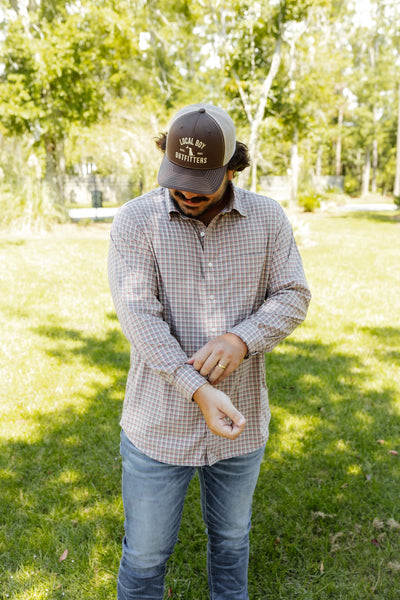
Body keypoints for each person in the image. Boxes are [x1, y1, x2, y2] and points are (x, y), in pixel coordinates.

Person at [108, 103, 311, 600]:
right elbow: (139, 316)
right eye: (176, 177)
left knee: (231, 540)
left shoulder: (267, 218)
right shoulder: (137, 221)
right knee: (146, 555)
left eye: (201, 182)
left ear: (232, 168)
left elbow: (293, 294)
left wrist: (242, 338)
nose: (185, 192)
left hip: (240, 425)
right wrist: (195, 387)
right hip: (158, 425)